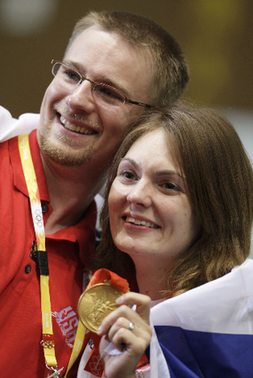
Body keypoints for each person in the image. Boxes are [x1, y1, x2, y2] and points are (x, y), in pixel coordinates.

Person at [0, 10, 189, 378]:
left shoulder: (118, 276)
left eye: (108, 92)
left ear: (150, 123)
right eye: (71, 74)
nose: (77, 100)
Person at [76, 104, 253, 377]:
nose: (136, 195)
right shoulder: (94, 292)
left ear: (215, 209)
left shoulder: (239, 328)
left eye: (168, 185)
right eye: (128, 175)